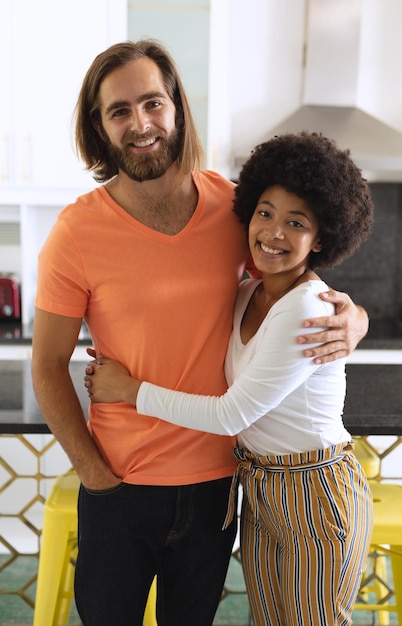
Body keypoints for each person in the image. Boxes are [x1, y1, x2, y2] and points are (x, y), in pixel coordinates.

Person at [31, 37, 369, 626]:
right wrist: (94, 474)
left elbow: (290, 276)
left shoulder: (232, 208)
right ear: (100, 127)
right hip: (120, 485)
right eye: (119, 110)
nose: (141, 123)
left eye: (153, 103)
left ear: (178, 109)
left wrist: (354, 318)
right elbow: (47, 364)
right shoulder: (75, 232)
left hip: (218, 488)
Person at [85, 132, 374, 626]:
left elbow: (230, 413)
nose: (273, 233)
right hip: (260, 486)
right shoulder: (246, 294)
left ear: (321, 238)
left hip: (315, 489)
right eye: (265, 213)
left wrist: (129, 390)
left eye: (296, 222)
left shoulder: (306, 308)